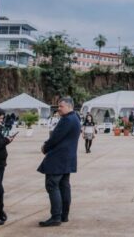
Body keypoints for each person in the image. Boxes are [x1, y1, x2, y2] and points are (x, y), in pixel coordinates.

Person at [37, 97, 81, 227]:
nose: (59, 109)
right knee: (64, 186)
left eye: (61, 106)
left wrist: (45, 147)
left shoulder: (67, 120)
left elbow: (55, 137)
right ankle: (64, 215)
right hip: (67, 158)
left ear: (69, 106)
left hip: (58, 159)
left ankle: (56, 216)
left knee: (52, 186)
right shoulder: (75, 118)